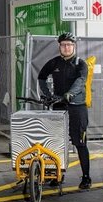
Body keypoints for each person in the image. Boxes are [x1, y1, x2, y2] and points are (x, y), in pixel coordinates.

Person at [37, 32, 92, 190]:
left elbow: (81, 81)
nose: (66, 47)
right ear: (59, 46)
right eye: (63, 45)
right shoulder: (54, 63)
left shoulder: (81, 64)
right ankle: (57, 175)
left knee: (80, 143)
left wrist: (71, 93)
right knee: (57, 143)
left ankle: (86, 177)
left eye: (69, 45)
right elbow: (41, 77)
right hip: (59, 106)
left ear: (74, 46)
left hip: (77, 107)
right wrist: (47, 95)